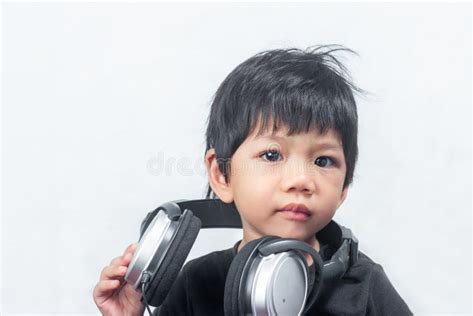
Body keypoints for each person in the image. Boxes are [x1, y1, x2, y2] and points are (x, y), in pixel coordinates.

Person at [93, 45, 413, 315]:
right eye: (272, 155)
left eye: (323, 161)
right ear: (222, 174)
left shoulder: (364, 286)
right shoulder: (196, 285)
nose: (301, 180)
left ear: (344, 187)